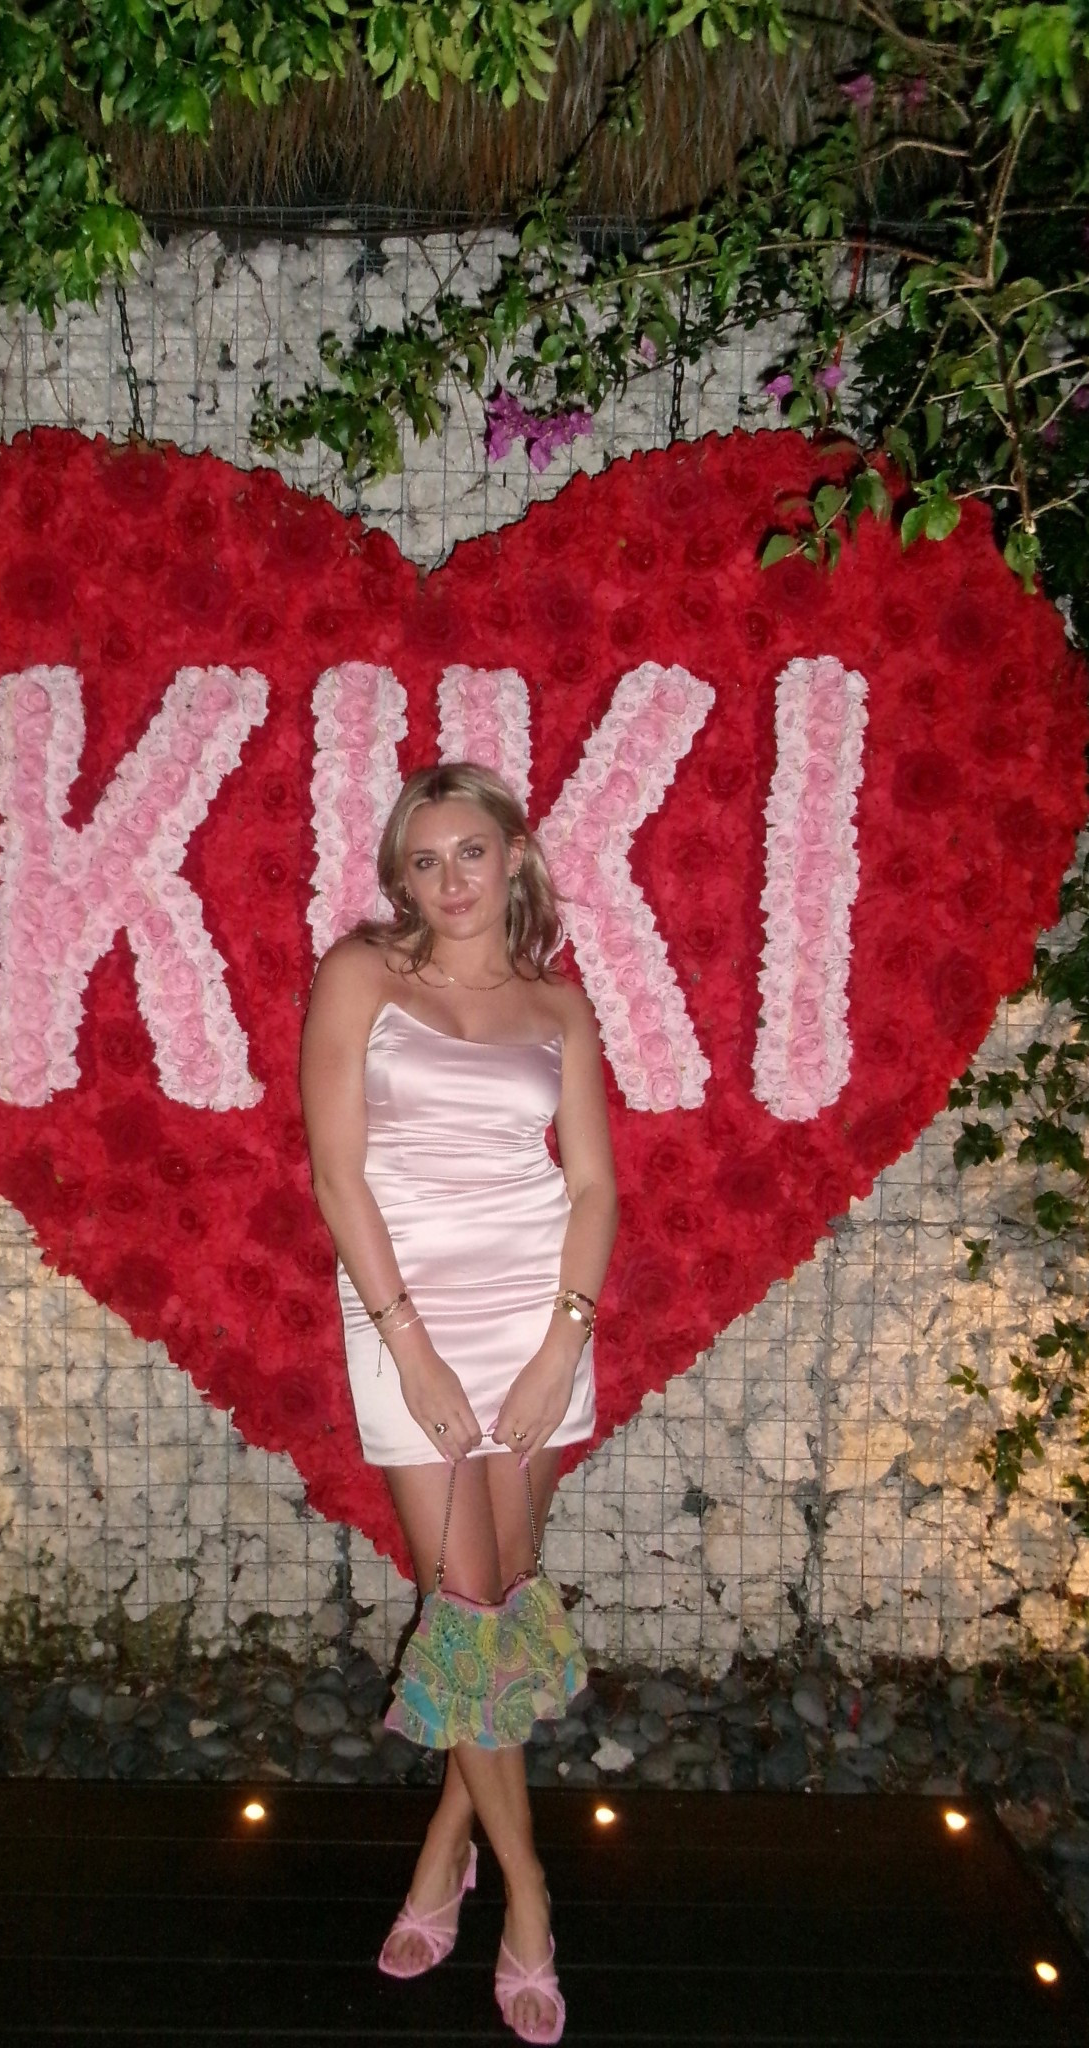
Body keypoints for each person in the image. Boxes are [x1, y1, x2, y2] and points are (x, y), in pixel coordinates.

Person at [300, 762, 619, 2045]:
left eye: (470, 852)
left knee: (488, 1609)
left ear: (515, 855)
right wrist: (409, 1345)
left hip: (537, 1323)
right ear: (400, 876)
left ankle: (450, 1839)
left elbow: (592, 1187)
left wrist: (565, 1341)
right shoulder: (363, 977)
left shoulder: (559, 1004)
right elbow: (337, 1172)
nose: (450, 880)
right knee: (476, 1607)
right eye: (424, 860)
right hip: (408, 1319)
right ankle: (530, 1892)